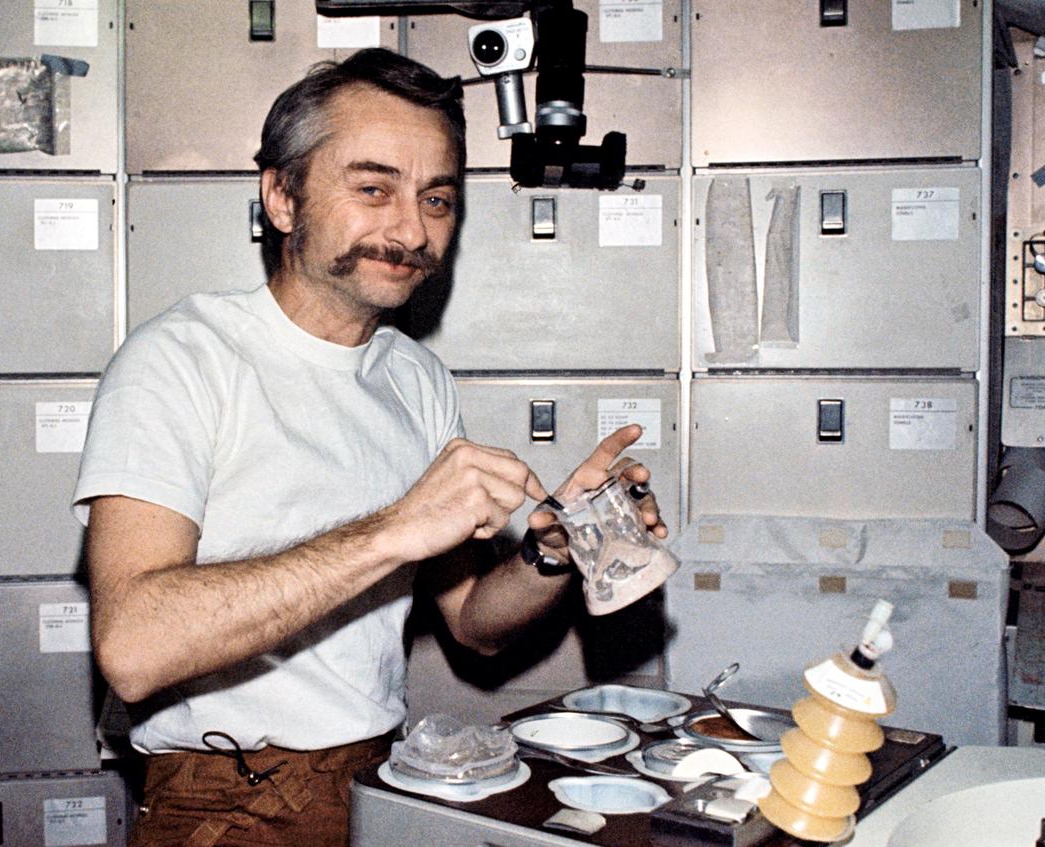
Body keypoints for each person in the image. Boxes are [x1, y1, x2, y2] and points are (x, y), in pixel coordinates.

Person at [73, 48, 665, 847]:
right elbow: (134, 647)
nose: (412, 229)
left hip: (382, 781)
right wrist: (391, 530)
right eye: (374, 188)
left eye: (437, 199)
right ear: (283, 196)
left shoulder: (414, 377)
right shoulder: (180, 361)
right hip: (226, 802)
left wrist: (552, 550)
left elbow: (474, 624)